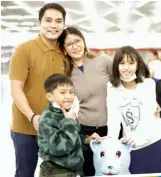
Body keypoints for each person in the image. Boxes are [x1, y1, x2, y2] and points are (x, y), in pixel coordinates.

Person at [9, 3, 66, 177]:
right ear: (38, 22)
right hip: (25, 128)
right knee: (25, 173)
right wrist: (32, 116)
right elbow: (15, 88)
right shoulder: (24, 50)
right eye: (48, 20)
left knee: (57, 173)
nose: (53, 25)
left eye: (58, 21)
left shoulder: (65, 52)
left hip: (57, 129)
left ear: (64, 25)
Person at [58, 26, 122, 176]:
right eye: (69, 44)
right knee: (88, 172)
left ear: (84, 41)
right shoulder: (65, 73)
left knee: (115, 170)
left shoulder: (103, 60)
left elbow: (124, 84)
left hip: (112, 128)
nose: (75, 46)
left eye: (77, 41)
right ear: (64, 48)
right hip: (86, 132)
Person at [107, 46, 161, 174]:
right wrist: (112, 145)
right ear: (116, 65)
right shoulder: (111, 87)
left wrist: (135, 140)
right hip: (130, 145)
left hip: (153, 141)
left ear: (137, 65)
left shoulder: (148, 84)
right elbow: (113, 120)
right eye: (122, 63)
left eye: (131, 63)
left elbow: (148, 118)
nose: (126, 67)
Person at [148, 51, 161, 122]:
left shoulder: (151, 64)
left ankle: (156, 119)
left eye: (150, 55)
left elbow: (152, 74)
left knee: (154, 101)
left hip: (155, 83)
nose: (150, 57)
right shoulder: (160, 63)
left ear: (155, 56)